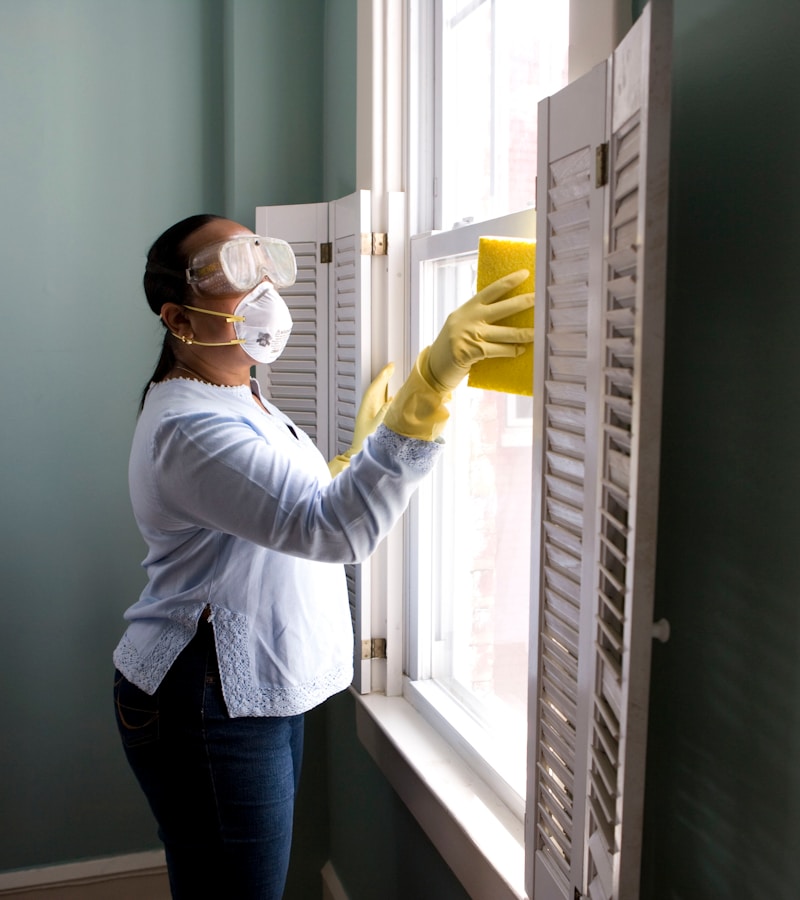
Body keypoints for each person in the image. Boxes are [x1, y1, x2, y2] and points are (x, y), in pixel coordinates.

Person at [112, 213, 533, 899]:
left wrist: (353, 457)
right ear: (178, 318)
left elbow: (277, 508)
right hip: (206, 697)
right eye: (233, 270)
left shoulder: (239, 395)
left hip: (243, 688)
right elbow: (333, 531)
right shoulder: (189, 425)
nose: (264, 285)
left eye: (264, 261)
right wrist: (429, 387)